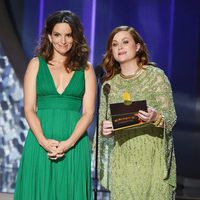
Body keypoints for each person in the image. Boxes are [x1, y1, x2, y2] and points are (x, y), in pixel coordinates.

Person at [14, 10, 96, 200]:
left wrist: (68, 143)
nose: (63, 41)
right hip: (40, 142)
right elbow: (29, 108)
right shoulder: (36, 64)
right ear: (49, 37)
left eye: (68, 35)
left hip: (74, 145)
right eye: (57, 35)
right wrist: (43, 141)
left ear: (76, 37)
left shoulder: (87, 68)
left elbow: (89, 113)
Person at [95, 26, 177, 200]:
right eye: (115, 45)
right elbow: (102, 125)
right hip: (124, 161)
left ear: (138, 47)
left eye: (125, 42)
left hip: (153, 159)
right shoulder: (109, 85)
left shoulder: (155, 76)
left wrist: (156, 117)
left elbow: (171, 117)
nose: (120, 47)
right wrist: (104, 130)